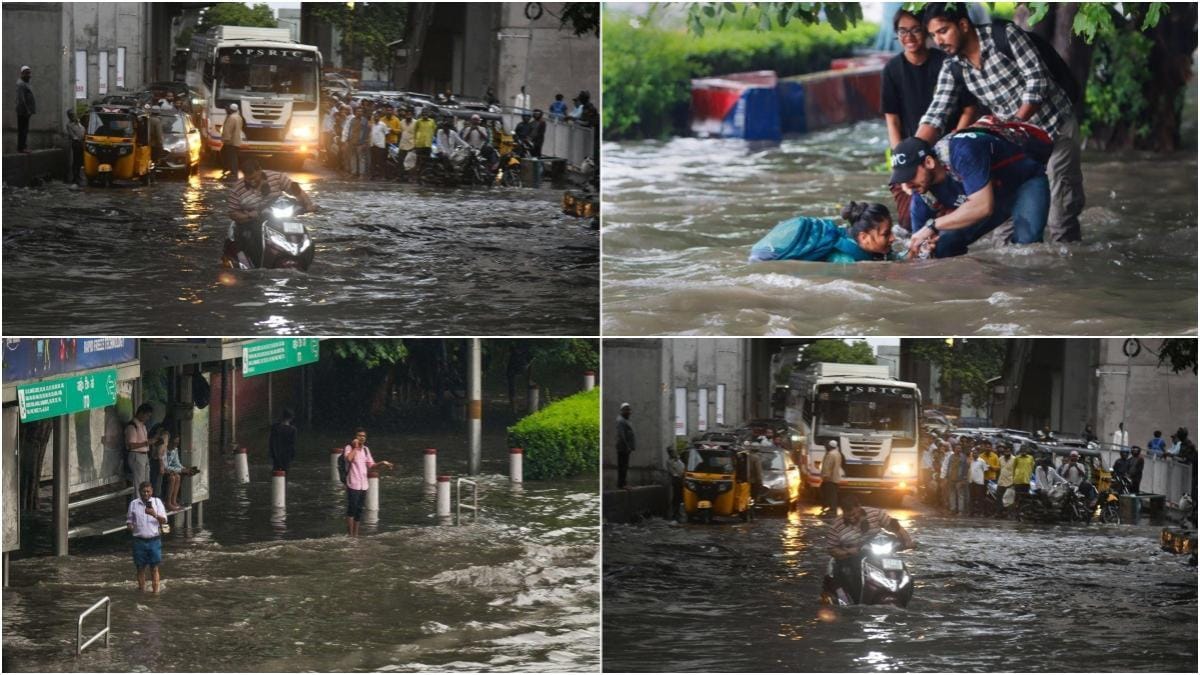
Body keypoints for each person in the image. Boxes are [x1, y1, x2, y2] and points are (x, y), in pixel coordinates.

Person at [914, 2, 1084, 244]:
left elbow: (1037, 82)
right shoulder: (952, 67)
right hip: (1014, 147)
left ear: (963, 25)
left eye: (942, 31)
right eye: (932, 35)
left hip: (1054, 129)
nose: (938, 41)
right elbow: (936, 114)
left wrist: (1011, 127)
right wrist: (912, 156)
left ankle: (1071, 272)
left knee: (1060, 219)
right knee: (1003, 232)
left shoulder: (1005, 36)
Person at [883, 8, 978, 230]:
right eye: (902, 31)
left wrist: (955, 142)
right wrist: (902, 160)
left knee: (964, 214)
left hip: (951, 152)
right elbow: (892, 120)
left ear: (926, 31)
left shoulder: (946, 62)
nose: (909, 37)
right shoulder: (892, 70)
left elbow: (969, 108)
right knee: (909, 222)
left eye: (915, 30)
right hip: (911, 157)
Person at [894, 130, 1049, 258]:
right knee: (943, 246)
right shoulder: (921, 195)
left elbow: (982, 207)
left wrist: (933, 225)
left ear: (929, 162)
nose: (906, 185)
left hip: (1024, 182)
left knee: (1027, 247)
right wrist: (926, 250)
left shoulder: (962, 151)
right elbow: (917, 247)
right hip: (988, 197)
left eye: (910, 175)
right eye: (902, 179)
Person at [224, 157, 317, 264]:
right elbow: (233, 213)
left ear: (260, 170)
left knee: (302, 232)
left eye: (255, 177)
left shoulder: (277, 177)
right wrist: (249, 216)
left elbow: (297, 191)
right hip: (254, 221)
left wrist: (308, 205)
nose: (252, 181)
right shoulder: (237, 189)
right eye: (249, 179)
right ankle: (259, 264)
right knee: (253, 238)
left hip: (279, 217)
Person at [749, 201, 905, 263]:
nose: (893, 238)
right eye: (885, 234)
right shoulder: (847, 260)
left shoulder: (847, 235)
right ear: (863, 238)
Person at [826, 495, 915, 603]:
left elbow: (896, 528)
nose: (852, 518)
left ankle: (904, 592)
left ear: (859, 507)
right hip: (853, 557)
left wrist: (907, 541)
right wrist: (847, 552)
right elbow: (831, 549)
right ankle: (859, 600)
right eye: (848, 515)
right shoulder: (836, 526)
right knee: (853, 573)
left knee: (902, 568)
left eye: (854, 514)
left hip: (878, 552)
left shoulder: (876, 514)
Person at [342, 428, 393, 536]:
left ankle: (355, 535)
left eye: (364, 436)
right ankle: (350, 535)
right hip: (353, 483)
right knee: (352, 508)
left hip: (363, 484)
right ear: (355, 437)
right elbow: (349, 459)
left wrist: (383, 463)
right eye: (359, 436)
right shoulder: (349, 448)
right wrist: (355, 447)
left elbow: (371, 466)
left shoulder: (366, 449)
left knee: (359, 510)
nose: (362, 438)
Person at [126, 481, 167, 593]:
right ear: (139, 492)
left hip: (154, 540)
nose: (146, 494)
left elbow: (164, 521)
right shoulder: (133, 504)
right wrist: (130, 526)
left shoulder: (157, 502)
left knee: (154, 568)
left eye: (148, 491)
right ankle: (142, 591)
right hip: (138, 540)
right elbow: (129, 520)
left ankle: (155, 593)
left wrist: (154, 514)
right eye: (143, 491)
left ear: (152, 491)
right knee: (140, 568)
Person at [125, 403, 154, 489]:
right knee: (139, 483)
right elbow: (131, 445)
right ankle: (139, 501)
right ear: (141, 413)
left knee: (146, 482)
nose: (148, 418)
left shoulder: (143, 426)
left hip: (144, 455)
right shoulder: (132, 426)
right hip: (136, 455)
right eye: (147, 416)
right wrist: (146, 443)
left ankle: (144, 501)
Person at [268, 409, 297, 473]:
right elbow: (292, 444)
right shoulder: (292, 430)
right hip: (286, 455)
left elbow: (271, 442)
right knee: (285, 473)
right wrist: (292, 456)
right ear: (291, 418)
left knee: (275, 474)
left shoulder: (275, 427)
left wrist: (271, 454)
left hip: (276, 453)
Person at [161, 436, 186, 512]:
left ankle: (173, 501)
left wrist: (183, 469)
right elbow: (165, 466)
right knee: (172, 478)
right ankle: (168, 502)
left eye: (177, 443)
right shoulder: (164, 450)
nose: (175, 445)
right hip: (162, 471)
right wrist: (180, 470)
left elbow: (176, 463)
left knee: (178, 476)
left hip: (170, 470)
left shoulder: (175, 449)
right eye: (174, 443)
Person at [220, 103, 243, 181]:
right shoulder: (238, 117)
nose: (226, 110)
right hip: (236, 141)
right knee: (231, 157)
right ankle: (230, 172)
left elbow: (228, 130)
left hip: (230, 142)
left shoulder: (231, 118)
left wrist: (225, 139)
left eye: (227, 109)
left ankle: (233, 174)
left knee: (231, 158)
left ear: (230, 109)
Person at [820, 439, 843, 516]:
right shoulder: (837, 453)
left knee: (829, 494)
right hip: (835, 478)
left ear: (829, 446)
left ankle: (832, 510)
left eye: (826, 446)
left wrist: (825, 477)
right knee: (833, 495)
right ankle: (832, 509)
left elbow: (827, 467)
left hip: (830, 479)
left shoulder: (830, 454)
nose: (825, 447)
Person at [15, 65, 35, 153]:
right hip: (23, 112)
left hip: (26, 111)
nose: (29, 75)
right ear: (22, 74)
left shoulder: (26, 83)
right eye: (27, 73)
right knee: (23, 130)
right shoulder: (21, 84)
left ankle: (23, 146)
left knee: (25, 130)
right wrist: (27, 110)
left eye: (29, 73)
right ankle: (22, 148)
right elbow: (21, 99)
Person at [615, 403, 635, 489]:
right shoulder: (621, 421)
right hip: (623, 448)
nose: (629, 412)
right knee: (623, 466)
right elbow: (621, 435)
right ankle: (622, 484)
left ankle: (623, 483)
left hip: (626, 448)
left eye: (629, 410)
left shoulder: (624, 420)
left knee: (624, 466)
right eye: (626, 410)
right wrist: (627, 446)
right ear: (622, 411)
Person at [412, 107, 437, 174]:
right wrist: (414, 143)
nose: (425, 114)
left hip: (428, 144)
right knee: (418, 160)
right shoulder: (418, 122)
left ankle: (424, 174)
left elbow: (434, 131)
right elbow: (415, 132)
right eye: (423, 113)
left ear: (428, 114)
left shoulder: (432, 121)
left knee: (427, 161)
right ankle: (416, 175)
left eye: (426, 113)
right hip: (419, 144)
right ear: (422, 114)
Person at [65, 109, 84, 184]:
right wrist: (78, 139)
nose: (73, 116)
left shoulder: (79, 122)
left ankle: (78, 175)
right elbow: (72, 135)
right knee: (76, 160)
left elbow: (82, 130)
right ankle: (75, 177)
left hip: (82, 142)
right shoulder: (69, 125)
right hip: (76, 143)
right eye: (71, 115)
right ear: (69, 116)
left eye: (73, 114)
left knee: (80, 160)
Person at [996, 443, 1015, 514]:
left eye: (1008, 451)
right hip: (1001, 482)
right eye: (1006, 451)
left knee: (1009, 500)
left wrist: (1014, 482)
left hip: (1010, 482)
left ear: (1011, 452)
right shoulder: (1000, 459)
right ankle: (999, 513)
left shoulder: (1014, 459)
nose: (1007, 452)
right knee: (999, 498)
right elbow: (998, 469)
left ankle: (1008, 513)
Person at [967, 449, 987, 516]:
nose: (974, 454)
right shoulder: (971, 461)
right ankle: (971, 512)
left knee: (980, 498)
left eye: (976, 453)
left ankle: (981, 512)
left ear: (978, 454)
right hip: (971, 481)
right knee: (972, 498)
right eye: (973, 453)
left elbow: (985, 470)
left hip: (979, 482)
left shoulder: (982, 461)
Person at [666, 447, 684, 519]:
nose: (674, 453)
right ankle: (674, 513)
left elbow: (682, 467)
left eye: (674, 452)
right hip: (676, 480)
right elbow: (672, 472)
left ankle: (678, 512)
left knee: (680, 496)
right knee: (676, 496)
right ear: (670, 453)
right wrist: (678, 476)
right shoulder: (669, 461)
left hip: (681, 479)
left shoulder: (679, 459)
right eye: (672, 452)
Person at [369, 112, 388, 180]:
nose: (376, 118)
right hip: (373, 145)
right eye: (375, 116)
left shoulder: (383, 125)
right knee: (373, 161)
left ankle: (383, 176)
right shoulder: (372, 125)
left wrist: (382, 141)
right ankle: (373, 175)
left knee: (381, 162)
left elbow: (386, 133)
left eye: (377, 116)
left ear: (379, 117)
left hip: (380, 146)